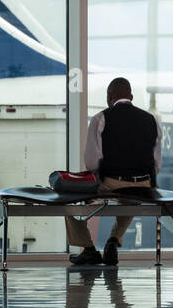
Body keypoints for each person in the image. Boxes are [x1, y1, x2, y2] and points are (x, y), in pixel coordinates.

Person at [66, 77, 162, 268]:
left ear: (109, 96)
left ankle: (89, 249)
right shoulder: (152, 120)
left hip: (112, 182)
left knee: (67, 201)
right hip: (143, 184)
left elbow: (91, 162)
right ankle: (113, 241)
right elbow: (156, 163)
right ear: (131, 97)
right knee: (132, 199)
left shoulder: (101, 118)